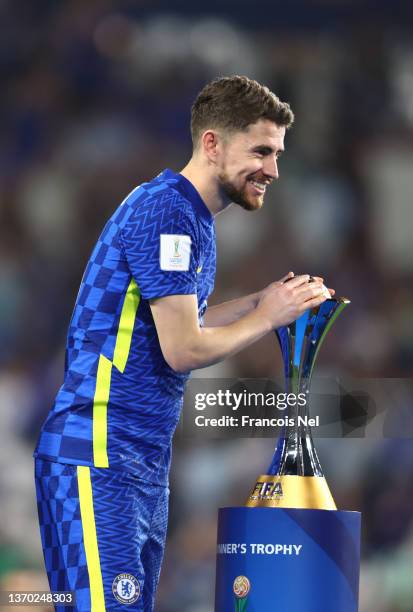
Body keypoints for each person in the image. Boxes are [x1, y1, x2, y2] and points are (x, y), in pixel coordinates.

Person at [34, 75, 334, 611]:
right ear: (212, 143)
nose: (273, 170)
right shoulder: (166, 212)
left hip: (138, 463)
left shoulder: (192, 218)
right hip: (97, 453)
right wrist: (267, 316)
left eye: (278, 153)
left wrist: (259, 301)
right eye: (261, 151)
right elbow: (182, 350)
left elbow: (176, 323)